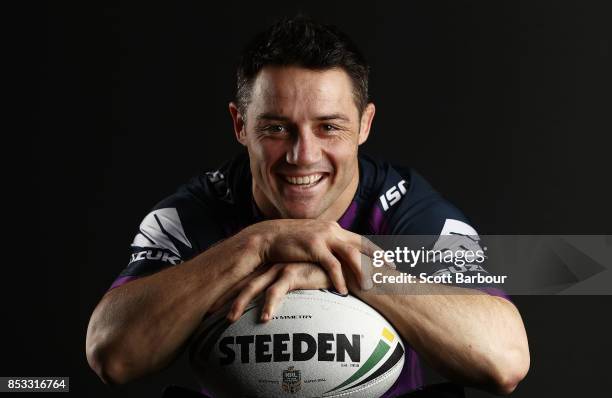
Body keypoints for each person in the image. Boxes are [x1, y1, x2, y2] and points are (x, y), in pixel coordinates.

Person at [86, 16, 529, 397]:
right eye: (277, 128)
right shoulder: (194, 214)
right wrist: (259, 244)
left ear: (364, 124)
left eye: (329, 127)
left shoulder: (403, 210)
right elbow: (112, 354)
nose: (302, 155)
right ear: (240, 125)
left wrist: (351, 263)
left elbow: (504, 360)